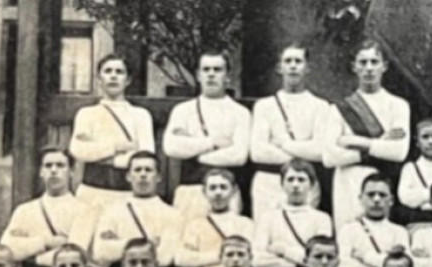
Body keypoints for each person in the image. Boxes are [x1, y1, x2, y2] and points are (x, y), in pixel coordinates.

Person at [324, 40, 411, 227]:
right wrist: (380, 144)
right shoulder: (338, 109)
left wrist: (353, 141)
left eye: (374, 62)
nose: (369, 68)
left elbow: (398, 152)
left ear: (384, 67)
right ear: (354, 67)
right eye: (363, 62)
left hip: (383, 180)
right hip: (347, 182)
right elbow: (330, 157)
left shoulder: (398, 105)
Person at [161, 51, 252, 222]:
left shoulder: (240, 113)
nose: (211, 74)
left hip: (226, 191)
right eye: (206, 69)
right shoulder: (183, 110)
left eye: (217, 70)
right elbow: (171, 146)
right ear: (198, 75)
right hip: (191, 189)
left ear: (227, 76)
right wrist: (213, 143)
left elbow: (239, 156)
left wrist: (194, 150)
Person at [249, 44, 330, 218]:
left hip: (305, 182)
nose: (293, 66)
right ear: (279, 67)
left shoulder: (320, 106)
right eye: (288, 61)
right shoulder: (264, 106)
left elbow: (320, 151)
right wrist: (301, 153)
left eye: (298, 61)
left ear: (308, 68)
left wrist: (285, 144)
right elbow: (258, 152)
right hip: (268, 182)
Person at [76, 152, 180, 267]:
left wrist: (119, 244)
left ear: (158, 177)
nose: (143, 174)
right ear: (128, 176)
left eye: (148, 170)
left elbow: (164, 258)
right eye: (137, 170)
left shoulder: (173, 214)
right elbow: (101, 251)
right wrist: (149, 244)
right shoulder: (112, 211)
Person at [0, 147, 86, 267]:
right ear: (41, 172)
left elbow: (76, 255)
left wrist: (30, 254)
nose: (54, 170)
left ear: (72, 171)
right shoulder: (25, 210)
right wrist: (46, 243)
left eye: (60, 165)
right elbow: (7, 250)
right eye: (48, 165)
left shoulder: (83, 210)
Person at [71, 55, 155, 213]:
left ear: (128, 80)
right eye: (108, 71)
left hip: (127, 192)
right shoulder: (87, 114)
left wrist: (99, 154)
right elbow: (79, 150)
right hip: (92, 192)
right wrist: (117, 147)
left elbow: (145, 156)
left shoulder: (140, 115)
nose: (113, 76)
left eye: (119, 72)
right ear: (98, 79)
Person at [172, 168, 255, 267]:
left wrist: (201, 258)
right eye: (213, 188)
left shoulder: (245, 224)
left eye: (223, 187)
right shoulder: (195, 225)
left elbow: (252, 258)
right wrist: (223, 256)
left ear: (233, 191)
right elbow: (182, 258)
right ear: (204, 192)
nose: (218, 193)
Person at [252, 158, 332, 267]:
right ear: (282, 184)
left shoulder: (321, 218)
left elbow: (322, 258)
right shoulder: (268, 217)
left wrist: (284, 251)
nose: (295, 185)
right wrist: (302, 262)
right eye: (290, 179)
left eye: (301, 180)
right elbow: (257, 259)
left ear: (311, 185)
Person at [336, 172, 411, 267]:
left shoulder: (399, 231)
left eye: (382, 195)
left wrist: (364, 258)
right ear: (361, 198)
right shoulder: (348, 230)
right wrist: (387, 264)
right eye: (371, 195)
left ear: (391, 200)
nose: (376, 199)